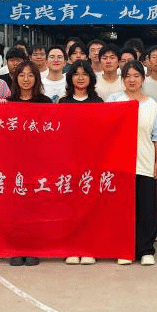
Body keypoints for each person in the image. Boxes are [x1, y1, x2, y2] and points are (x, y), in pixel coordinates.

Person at [107, 61, 157, 266]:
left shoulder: (151, 105)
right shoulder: (114, 101)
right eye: (128, 76)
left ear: (143, 79)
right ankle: (124, 249)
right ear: (122, 79)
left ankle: (146, 250)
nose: (132, 80)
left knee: (146, 209)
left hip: (144, 163)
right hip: (120, 165)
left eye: (136, 76)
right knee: (122, 210)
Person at [7, 60, 53, 267]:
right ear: (15, 78)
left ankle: (34, 248)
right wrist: (0, 109)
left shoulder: (45, 102)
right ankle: (16, 248)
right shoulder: (8, 102)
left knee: (36, 206)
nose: (26, 79)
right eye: (21, 75)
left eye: (30, 75)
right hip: (13, 163)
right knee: (15, 207)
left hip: (38, 162)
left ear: (37, 78)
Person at [58, 60, 104, 264]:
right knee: (70, 206)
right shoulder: (63, 102)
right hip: (69, 161)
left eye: (84, 74)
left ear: (91, 78)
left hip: (92, 161)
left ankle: (89, 247)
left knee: (90, 206)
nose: (80, 77)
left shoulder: (98, 102)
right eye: (76, 74)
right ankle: (71, 247)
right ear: (70, 78)